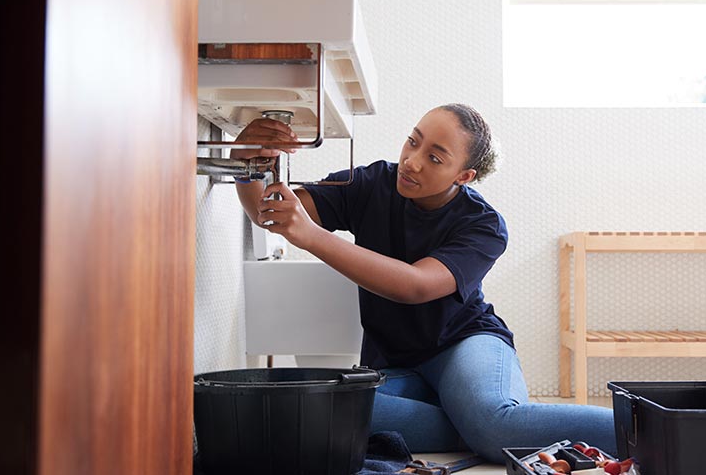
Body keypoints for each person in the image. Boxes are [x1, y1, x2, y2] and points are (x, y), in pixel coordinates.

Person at [232, 103, 615, 462]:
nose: (412, 163)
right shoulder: (372, 183)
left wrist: (311, 236)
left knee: (493, 422)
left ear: (464, 176)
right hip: (396, 362)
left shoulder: (483, 225)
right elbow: (270, 213)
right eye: (413, 142)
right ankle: (470, 423)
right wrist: (248, 160)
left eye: (434, 158)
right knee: (323, 411)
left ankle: (646, 423)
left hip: (464, 343)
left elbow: (414, 285)